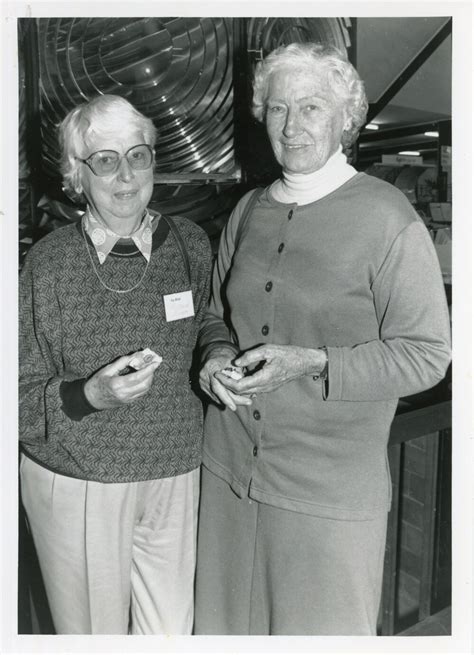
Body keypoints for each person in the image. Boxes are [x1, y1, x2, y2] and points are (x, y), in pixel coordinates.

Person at [194, 43, 451, 636]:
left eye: (311, 107)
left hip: (327, 493)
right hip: (229, 475)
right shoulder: (248, 210)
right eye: (278, 109)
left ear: (346, 117)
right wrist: (214, 355)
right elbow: (214, 314)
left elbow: (428, 355)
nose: (292, 125)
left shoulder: (388, 218)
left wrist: (312, 362)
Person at [19, 94, 212, 635]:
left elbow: (211, 323)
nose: (124, 174)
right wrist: (88, 396)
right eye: (104, 160)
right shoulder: (47, 264)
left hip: (176, 467)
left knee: (171, 633)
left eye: (137, 155)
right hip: (82, 474)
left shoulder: (192, 244)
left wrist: (217, 352)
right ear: (78, 176)